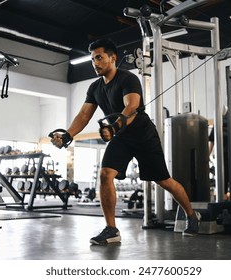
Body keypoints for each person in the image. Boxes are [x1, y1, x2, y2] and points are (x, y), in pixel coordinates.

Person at [51, 38, 201, 245]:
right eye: (93, 59)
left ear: (112, 58)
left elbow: (131, 106)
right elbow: (84, 115)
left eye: (99, 58)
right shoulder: (95, 87)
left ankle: (192, 216)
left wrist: (112, 128)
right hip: (121, 137)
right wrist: (68, 135)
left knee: (164, 180)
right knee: (105, 174)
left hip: (143, 135)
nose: (95, 63)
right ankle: (112, 229)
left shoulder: (127, 78)